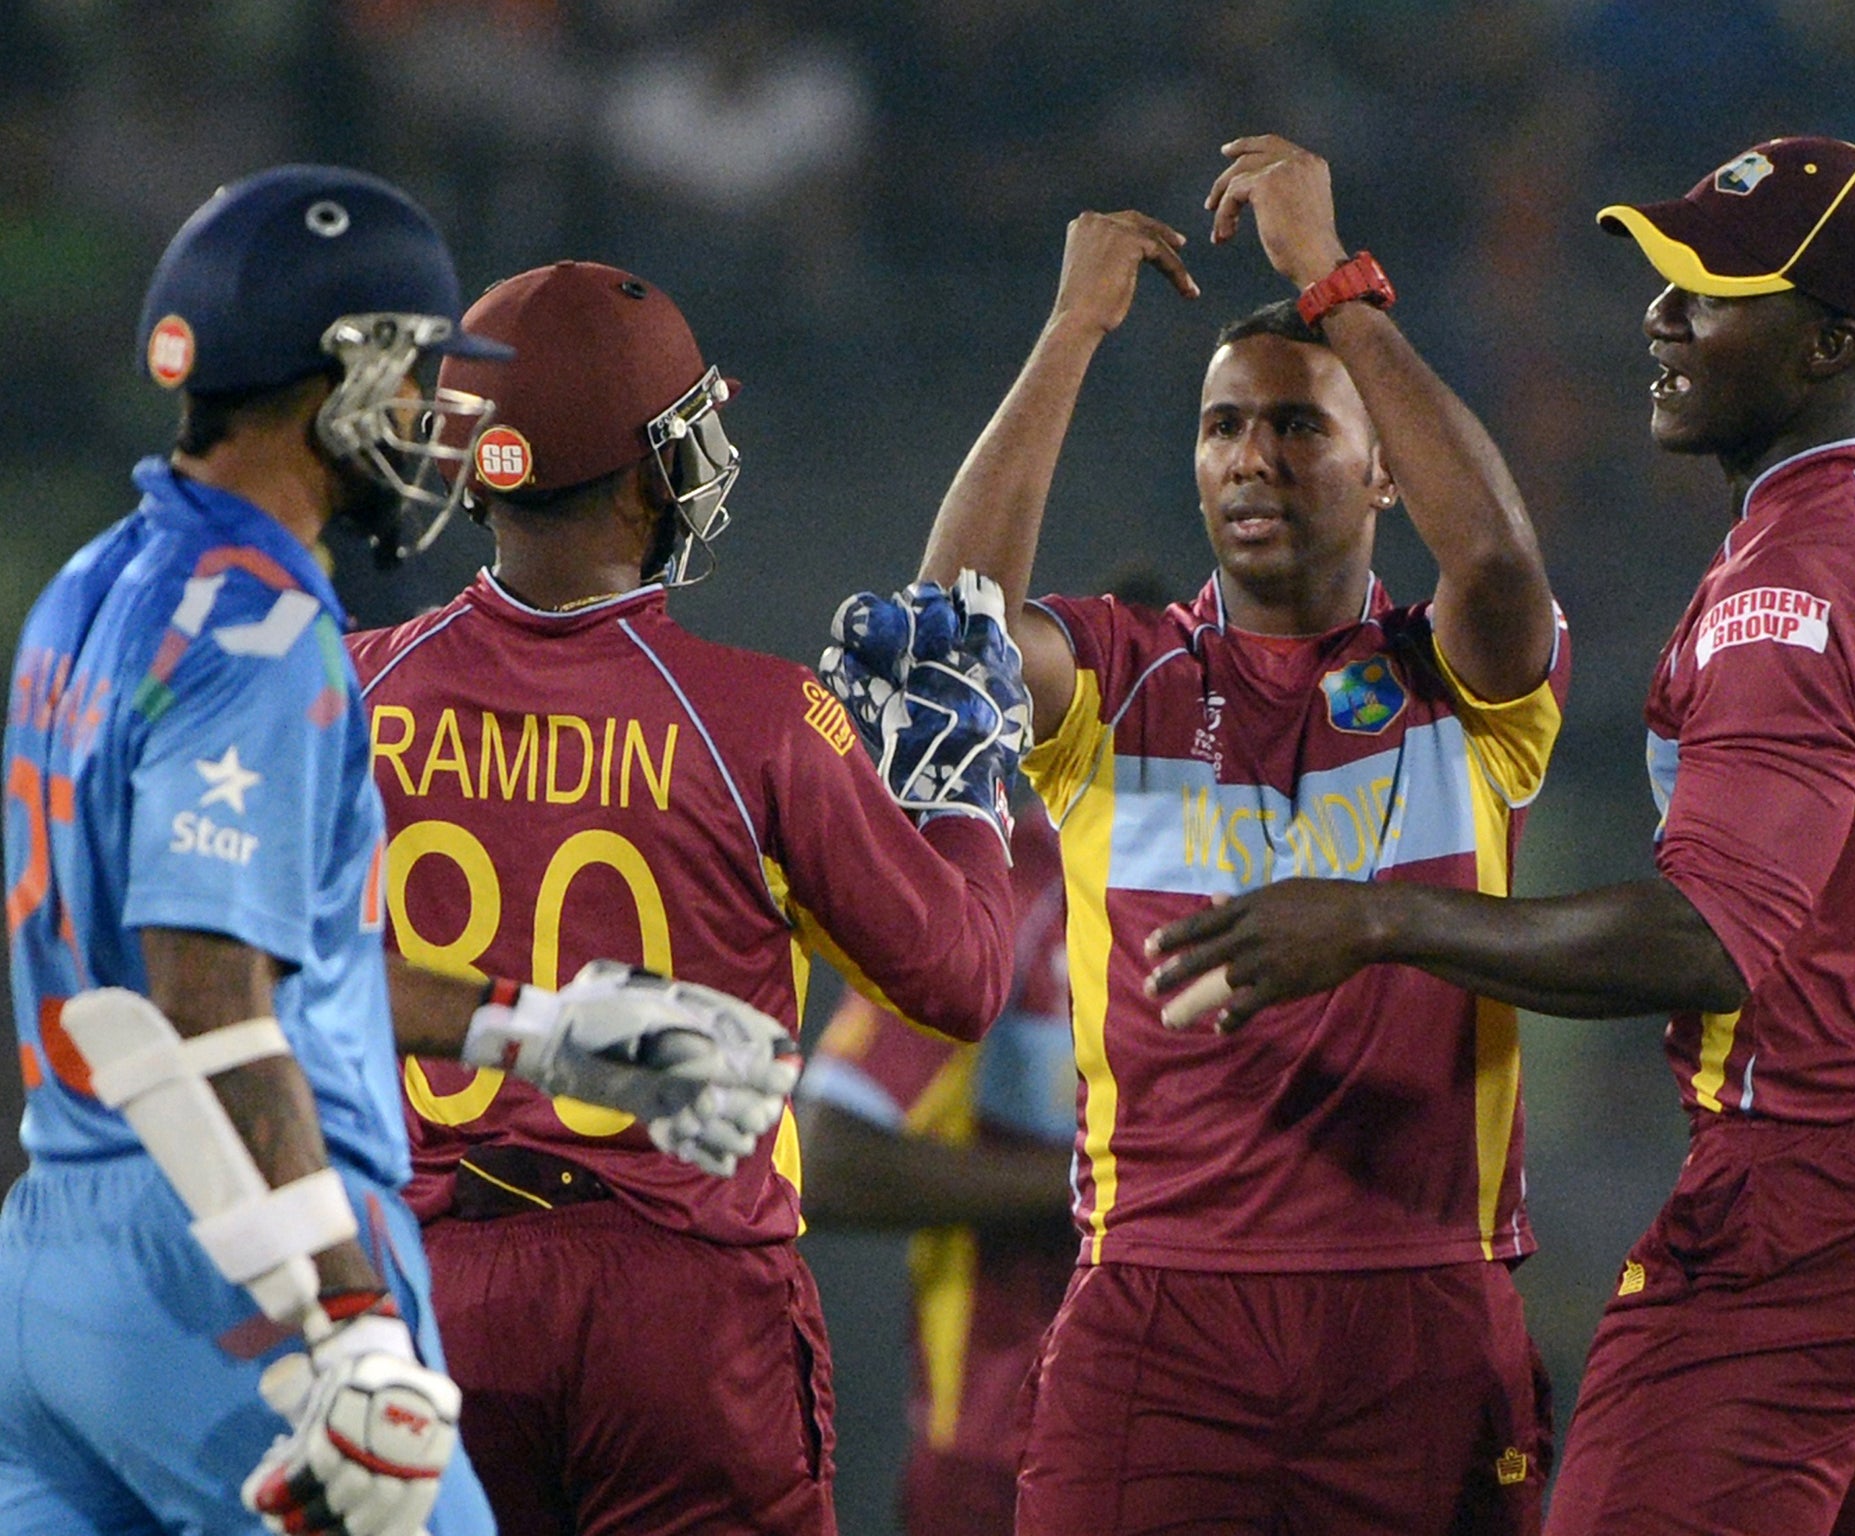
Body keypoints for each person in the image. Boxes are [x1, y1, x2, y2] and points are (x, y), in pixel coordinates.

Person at [1145, 136, 1855, 1535]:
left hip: (1814, 1208)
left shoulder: (1797, 583)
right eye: (1668, 276)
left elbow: (1706, 944)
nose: (1663, 314)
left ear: (1828, 345)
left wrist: (1377, 918)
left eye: (1714, 289)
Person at [0, 167, 799, 1536]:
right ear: (348, 375)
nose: (445, 422)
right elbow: (210, 1001)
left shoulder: (92, 587)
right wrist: (348, 1316)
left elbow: (230, 963)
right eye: (428, 375)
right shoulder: (260, 630)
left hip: (58, 1263)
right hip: (233, 1277)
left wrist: (523, 1030)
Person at [857, 132, 1570, 1533]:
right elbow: (939, 648)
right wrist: (1072, 328)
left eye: (1300, 426)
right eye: (1223, 425)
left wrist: (1330, 278)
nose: (1254, 457)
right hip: (1156, 1315)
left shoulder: (1468, 688)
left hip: (1419, 1301)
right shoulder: (1118, 680)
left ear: (1382, 475)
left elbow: (1493, 559)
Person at [346, 258, 1025, 1536]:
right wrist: (962, 803)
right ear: (656, 470)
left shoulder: (343, 693)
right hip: (679, 1301)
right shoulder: (759, 720)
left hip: (424, 1293)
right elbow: (961, 980)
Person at [796, 794, 1075, 1536]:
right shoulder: (1020, 881)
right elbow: (826, 1157)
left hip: (1230, 1434)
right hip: (1002, 1454)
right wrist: (1110, 1184)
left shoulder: (1287, 886)